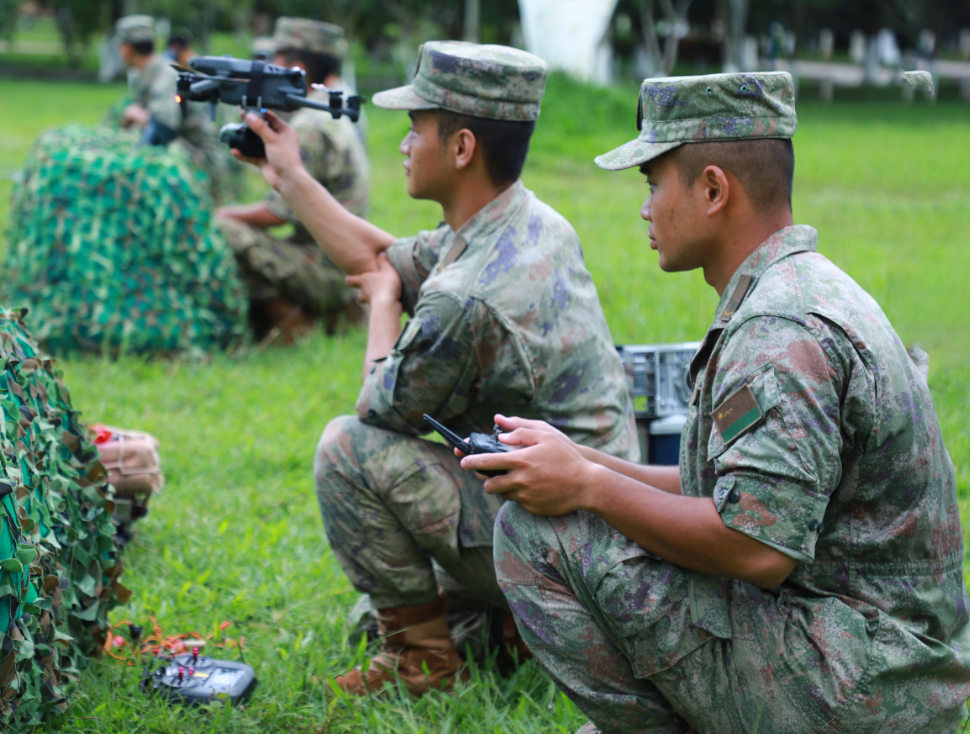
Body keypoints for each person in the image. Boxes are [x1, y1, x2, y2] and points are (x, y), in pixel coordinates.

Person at [462, 71, 970, 733]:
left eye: (652, 184)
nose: (644, 208)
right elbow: (741, 489)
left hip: (859, 686)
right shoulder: (796, 290)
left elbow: (756, 548)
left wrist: (586, 487)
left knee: (536, 533)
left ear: (711, 189)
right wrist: (584, 462)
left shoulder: (777, 334)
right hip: (876, 657)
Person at [234, 40, 638, 695]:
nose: (400, 144)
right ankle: (513, 628)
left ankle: (422, 661)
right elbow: (382, 256)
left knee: (345, 450)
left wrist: (384, 305)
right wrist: (289, 179)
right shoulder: (523, 223)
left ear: (460, 148)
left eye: (414, 129)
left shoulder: (467, 293)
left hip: (565, 544)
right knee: (366, 616)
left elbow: (378, 408)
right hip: (596, 530)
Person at [215, 17, 370, 343]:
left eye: (275, 61)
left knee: (228, 233)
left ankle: (294, 321)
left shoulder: (310, 127)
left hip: (331, 271)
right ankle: (337, 314)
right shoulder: (327, 109)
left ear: (295, 69)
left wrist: (222, 215)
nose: (268, 67)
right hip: (344, 261)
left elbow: (276, 214)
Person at [113, 16, 233, 203]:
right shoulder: (144, 73)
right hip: (184, 147)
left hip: (201, 158)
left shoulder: (165, 75)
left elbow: (162, 129)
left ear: (126, 48)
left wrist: (132, 167)